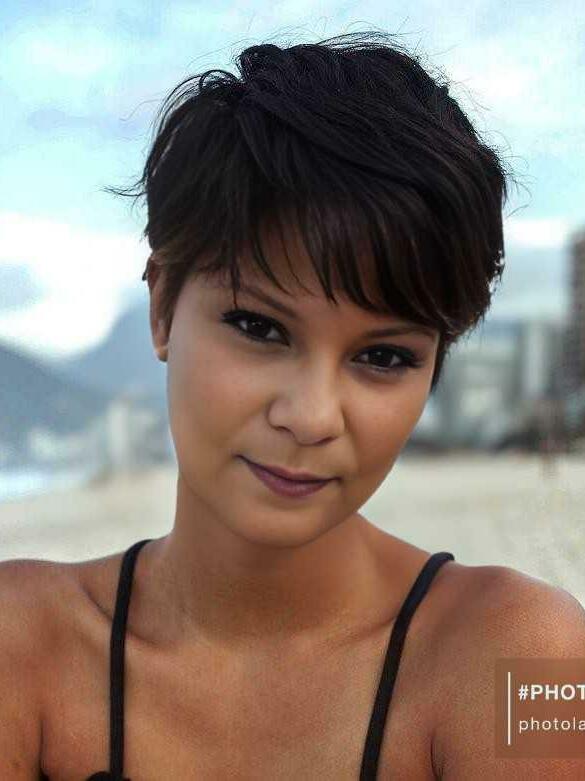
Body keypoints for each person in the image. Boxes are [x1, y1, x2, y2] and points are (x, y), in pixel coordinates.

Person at [2, 31, 584, 780]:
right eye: (259, 328)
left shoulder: (530, 658)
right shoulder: (19, 641)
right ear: (162, 306)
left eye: (383, 357)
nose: (311, 417)